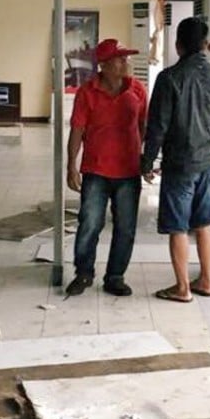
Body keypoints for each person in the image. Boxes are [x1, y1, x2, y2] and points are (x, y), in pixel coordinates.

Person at [142, 17, 210, 302]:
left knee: (178, 227)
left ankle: (183, 288)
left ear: (178, 44)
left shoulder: (169, 77)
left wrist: (147, 161)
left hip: (180, 163)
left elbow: (157, 125)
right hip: (209, 162)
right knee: (204, 223)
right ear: (205, 45)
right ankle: (206, 281)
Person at [65, 38, 148, 297]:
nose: (127, 62)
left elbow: (146, 127)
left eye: (127, 58)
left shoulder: (138, 90)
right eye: (121, 58)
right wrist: (71, 165)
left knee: (125, 227)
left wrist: (147, 160)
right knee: (90, 222)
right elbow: (77, 129)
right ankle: (84, 273)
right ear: (104, 64)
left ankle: (115, 276)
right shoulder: (87, 92)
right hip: (96, 170)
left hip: (129, 171)